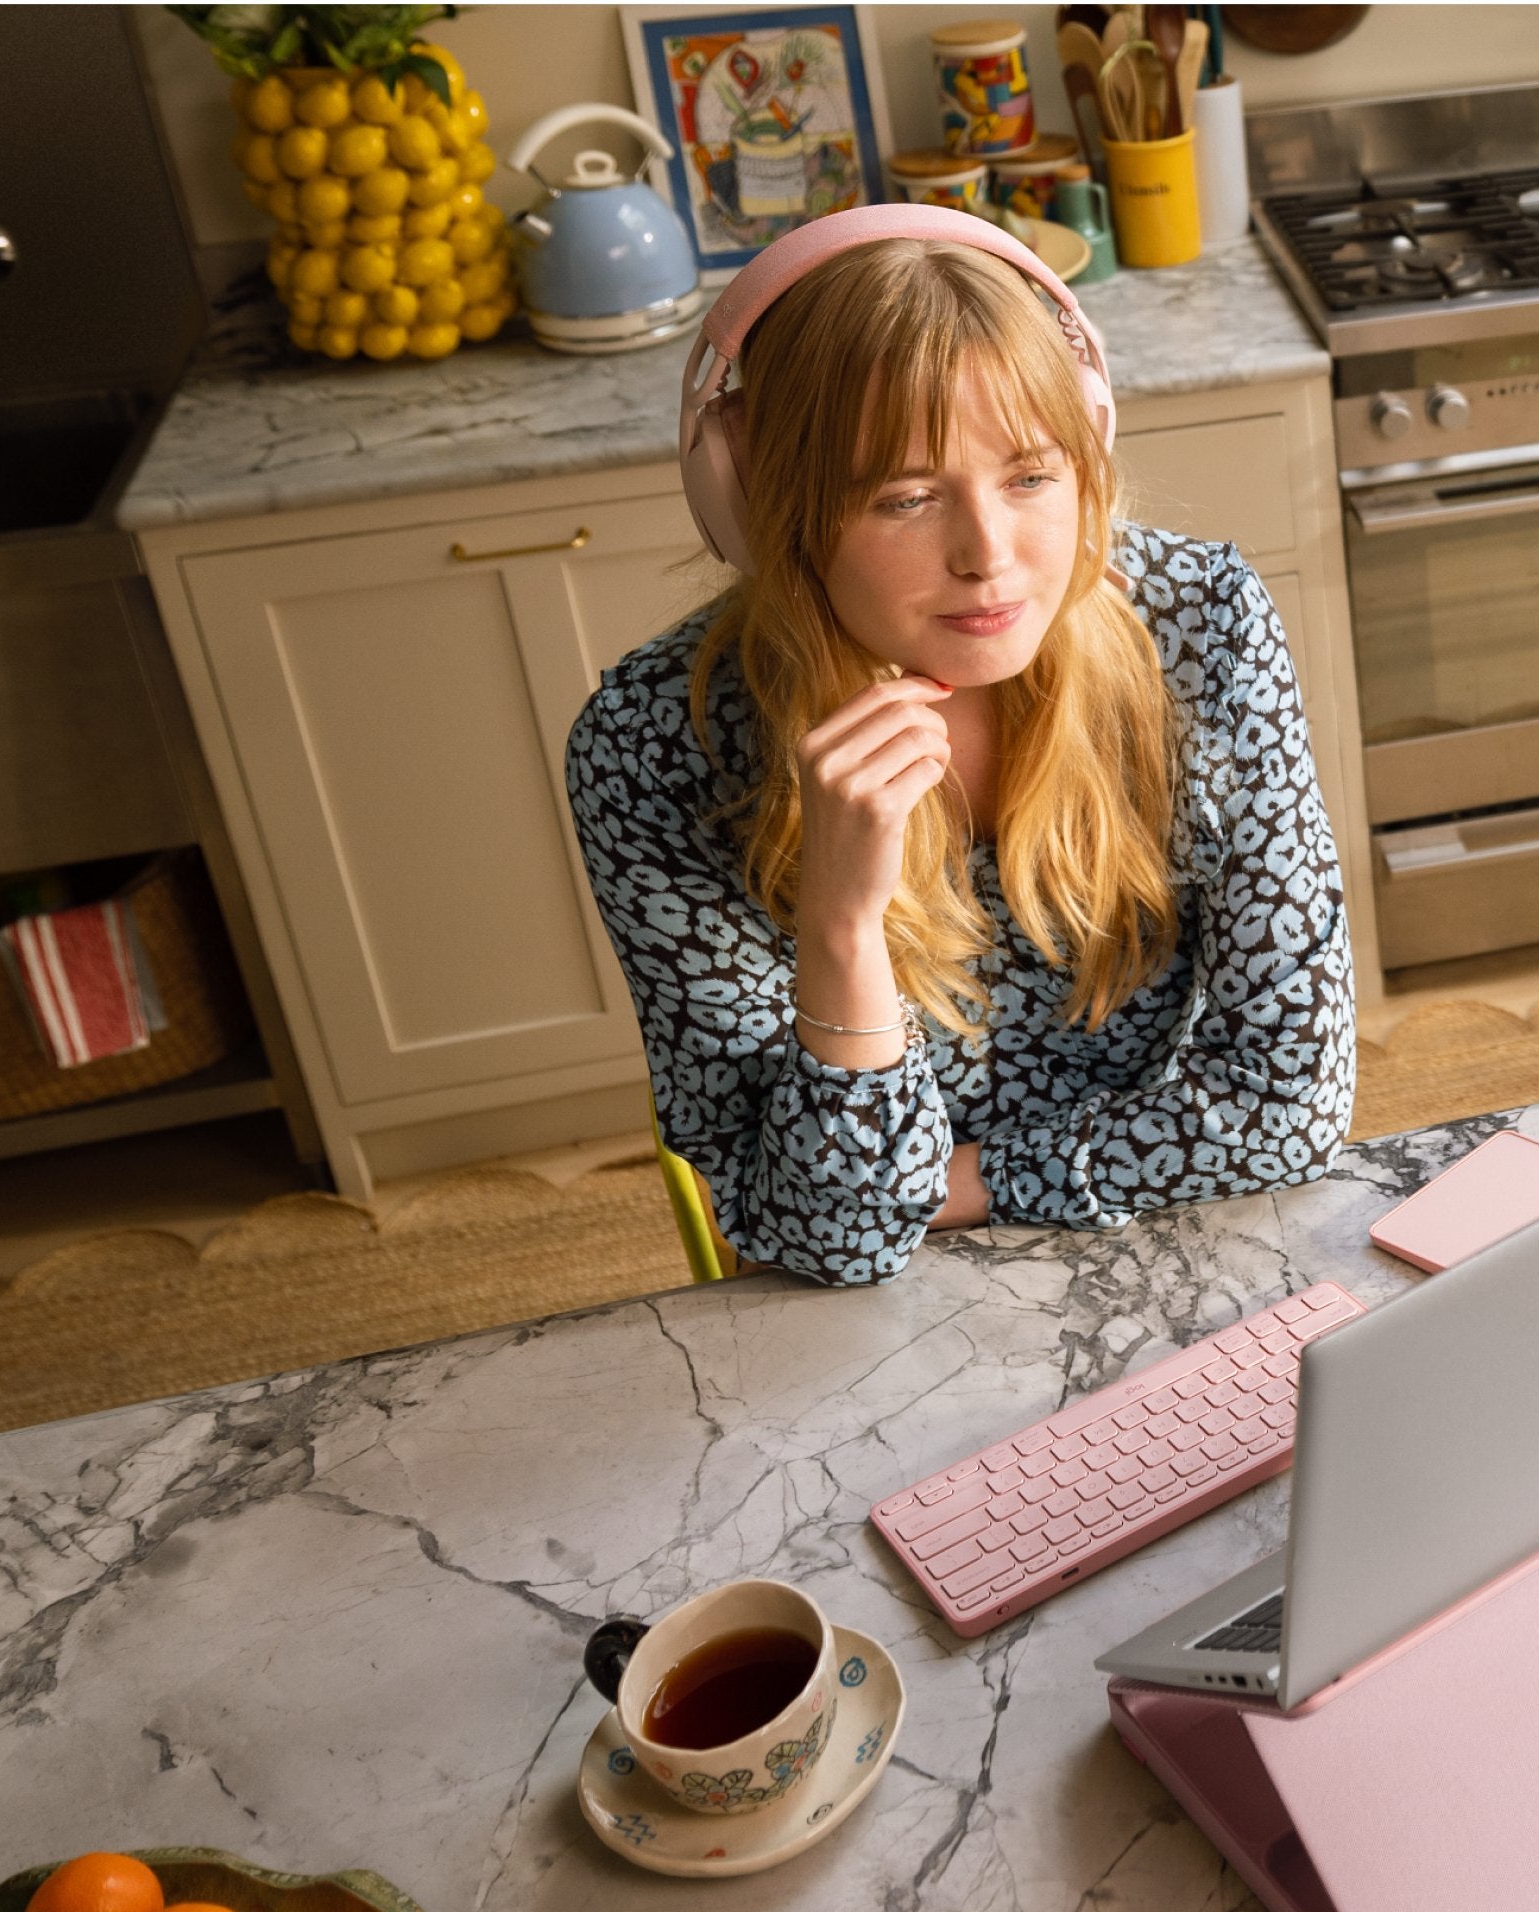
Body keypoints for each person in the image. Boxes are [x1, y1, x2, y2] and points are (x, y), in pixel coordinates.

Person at [564, 208, 1354, 1284]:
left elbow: (1290, 1107)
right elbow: (829, 1238)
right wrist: (840, 927)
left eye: (1030, 476)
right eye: (907, 496)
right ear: (768, 509)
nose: (989, 556)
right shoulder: (656, 746)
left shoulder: (1203, 622)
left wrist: (956, 1182)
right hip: (873, 1301)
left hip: (1177, 1239)